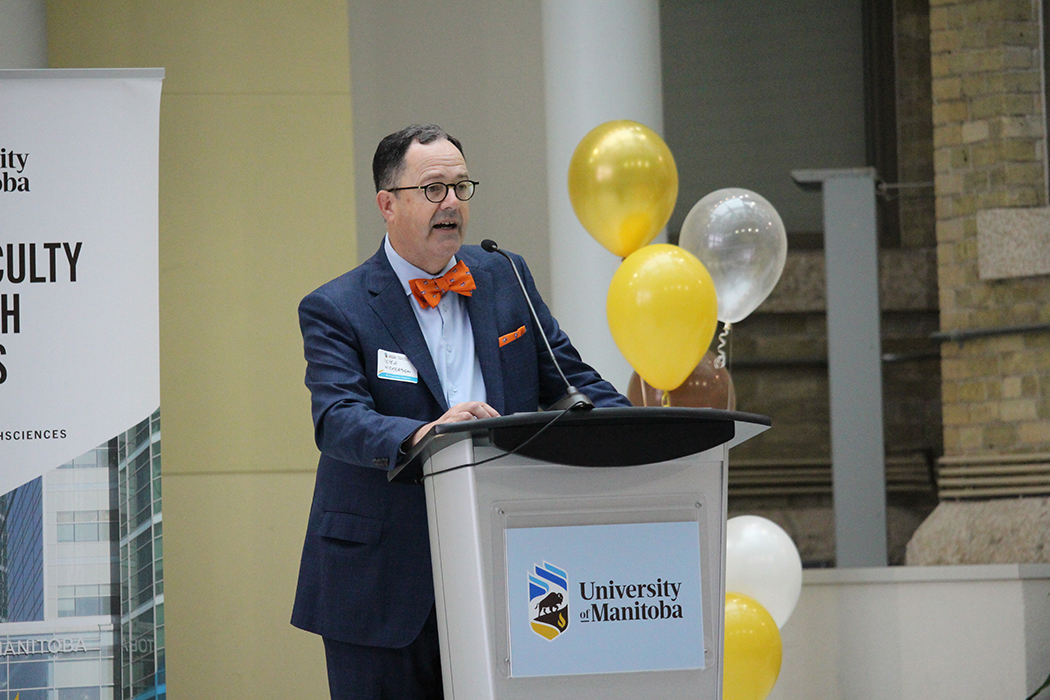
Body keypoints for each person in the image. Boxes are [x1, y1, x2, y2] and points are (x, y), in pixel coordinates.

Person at [291, 124, 631, 700]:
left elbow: (571, 380)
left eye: (460, 187)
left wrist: (642, 433)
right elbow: (338, 419)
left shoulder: (505, 276)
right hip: (381, 580)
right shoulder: (337, 308)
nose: (451, 202)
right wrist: (429, 432)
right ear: (387, 204)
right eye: (432, 189)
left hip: (505, 566)